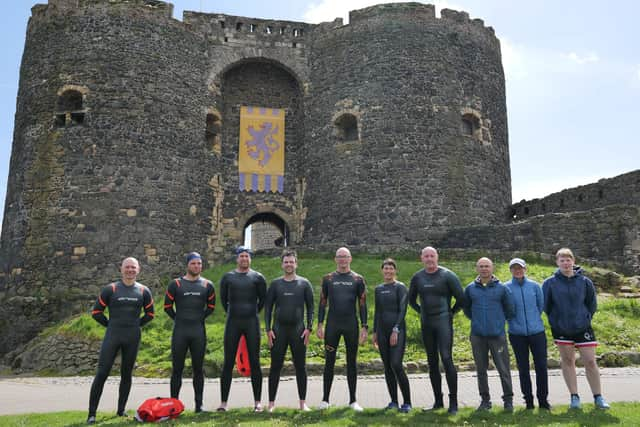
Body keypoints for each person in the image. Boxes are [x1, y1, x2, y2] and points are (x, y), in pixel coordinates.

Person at [87, 257, 155, 424]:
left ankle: (121, 410)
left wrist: (136, 325)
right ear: (121, 269)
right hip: (113, 335)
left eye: (133, 267)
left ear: (138, 270)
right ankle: (91, 414)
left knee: (126, 374)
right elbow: (96, 313)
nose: (130, 270)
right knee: (102, 373)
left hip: (132, 337)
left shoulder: (143, 291)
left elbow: (150, 314)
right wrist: (110, 325)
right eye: (127, 267)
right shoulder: (111, 289)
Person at [542, 248, 610, 410]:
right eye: (562, 260)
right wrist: (556, 321)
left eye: (568, 260)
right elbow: (546, 306)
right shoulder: (550, 283)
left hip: (583, 327)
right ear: (557, 262)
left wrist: (585, 318)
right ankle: (574, 398)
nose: (566, 263)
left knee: (591, 361)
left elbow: (591, 304)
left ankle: (598, 397)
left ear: (573, 261)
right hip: (561, 329)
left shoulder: (585, 281)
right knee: (568, 361)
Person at [408, 246, 465, 414]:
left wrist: (450, 313)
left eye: (432, 255)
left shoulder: (448, 275)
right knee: (432, 362)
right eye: (426, 256)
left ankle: (453, 403)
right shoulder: (417, 277)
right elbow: (411, 301)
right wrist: (422, 313)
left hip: (443, 322)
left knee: (446, 359)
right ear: (422, 258)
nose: (429, 259)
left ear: (437, 257)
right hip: (427, 323)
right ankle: (438, 401)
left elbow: (461, 298)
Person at [316, 247, 368, 411]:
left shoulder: (358, 279)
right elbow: (323, 303)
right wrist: (319, 324)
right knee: (329, 362)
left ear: (350, 259)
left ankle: (353, 401)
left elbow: (362, 304)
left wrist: (364, 327)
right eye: (340, 257)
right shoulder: (328, 279)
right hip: (332, 326)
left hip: (351, 326)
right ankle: (325, 400)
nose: (343, 260)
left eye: (345, 257)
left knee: (351, 362)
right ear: (335, 259)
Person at [164, 252, 216, 413]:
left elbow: (211, 307)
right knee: (177, 369)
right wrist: (179, 318)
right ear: (188, 265)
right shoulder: (176, 284)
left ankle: (199, 406)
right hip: (180, 331)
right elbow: (167, 307)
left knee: (198, 369)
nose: (197, 266)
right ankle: (174, 405)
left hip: (198, 332)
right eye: (194, 263)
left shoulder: (207, 285)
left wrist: (199, 318)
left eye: (199, 264)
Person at [218, 246, 267, 412]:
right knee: (228, 363)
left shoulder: (258, 278)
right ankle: (223, 403)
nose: (244, 259)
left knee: (255, 362)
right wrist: (234, 312)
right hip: (233, 322)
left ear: (250, 258)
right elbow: (224, 301)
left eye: (247, 256)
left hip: (251, 322)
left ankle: (257, 402)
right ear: (237, 258)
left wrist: (251, 313)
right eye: (241, 256)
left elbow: (262, 300)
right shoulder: (228, 278)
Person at [264, 250, 314, 412]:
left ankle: (302, 403)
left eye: (291, 262)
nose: (289, 264)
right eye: (286, 262)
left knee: (300, 367)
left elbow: (311, 307)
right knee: (275, 367)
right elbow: (268, 308)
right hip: (278, 330)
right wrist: (268, 330)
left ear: (296, 263)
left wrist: (309, 328)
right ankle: (271, 404)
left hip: (298, 330)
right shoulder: (276, 284)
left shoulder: (304, 283)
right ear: (282, 264)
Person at [464, 257, 515, 412]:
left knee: (503, 368)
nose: (484, 269)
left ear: (492, 268)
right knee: (481, 369)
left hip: (497, 335)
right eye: (481, 266)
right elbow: (467, 309)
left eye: (487, 266)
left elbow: (510, 309)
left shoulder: (502, 288)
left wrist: (497, 322)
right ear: (477, 268)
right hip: (478, 336)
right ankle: (485, 401)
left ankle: (508, 400)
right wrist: (479, 321)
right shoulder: (470, 289)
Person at [504, 257, 551, 410]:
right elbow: (505, 309)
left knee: (541, 366)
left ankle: (543, 400)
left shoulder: (535, 286)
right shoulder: (506, 288)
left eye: (520, 267)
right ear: (510, 270)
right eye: (514, 268)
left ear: (525, 269)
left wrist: (533, 321)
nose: (518, 270)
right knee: (523, 368)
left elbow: (540, 306)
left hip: (537, 332)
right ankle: (529, 401)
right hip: (516, 334)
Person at [373, 258, 412, 413]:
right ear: (382, 271)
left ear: (395, 271)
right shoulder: (378, 288)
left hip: (397, 330)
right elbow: (377, 311)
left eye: (391, 268)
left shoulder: (400, 287)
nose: (388, 271)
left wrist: (396, 329)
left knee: (396, 364)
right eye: (385, 268)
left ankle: (407, 402)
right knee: (388, 367)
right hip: (382, 331)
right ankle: (394, 401)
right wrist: (375, 332)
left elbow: (403, 310)